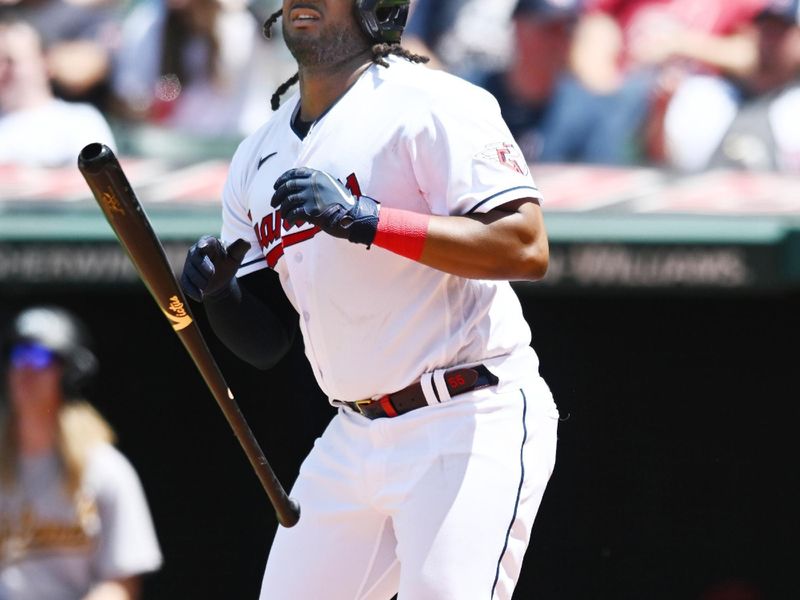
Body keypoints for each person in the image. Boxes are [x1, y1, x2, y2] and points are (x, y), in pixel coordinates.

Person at [180, 1, 560, 598]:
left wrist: (368, 220)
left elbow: (523, 246)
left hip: (465, 414)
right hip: (352, 434)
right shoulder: (257, 151)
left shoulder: (433, 103)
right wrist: (220, 292)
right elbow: (266, 343)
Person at [0, 306, 163, 600]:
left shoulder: (105, 469)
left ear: (69, 374)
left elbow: (122, 583)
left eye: (38, 358)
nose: (24, 370)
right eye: (17, 357)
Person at [0, 19, 117, 167]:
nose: (2, 70)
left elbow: (102, 176)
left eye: (10, 61)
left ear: (44, 63)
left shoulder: (80, 120)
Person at [481, 0, 582, 162]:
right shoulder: (474, 95)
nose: (558, 42)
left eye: (566, 30)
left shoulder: (585, 110)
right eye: (548, 29)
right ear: (518, 27)